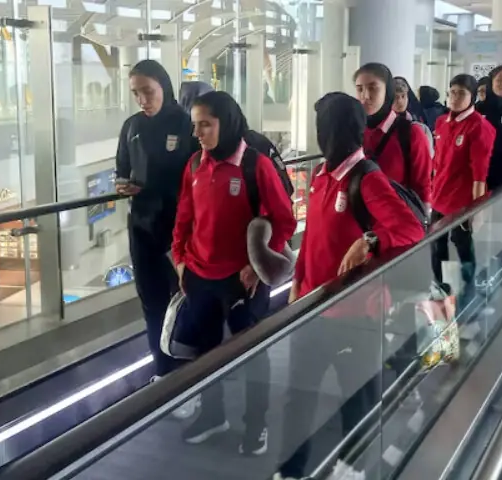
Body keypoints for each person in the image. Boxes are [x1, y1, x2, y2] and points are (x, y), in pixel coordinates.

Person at [277, 92, 425, 480]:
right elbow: (311, 241)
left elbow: (410, 231)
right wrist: (297, 285)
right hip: (312, 309)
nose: (321, 134)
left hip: (356, 316)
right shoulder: (324, 176)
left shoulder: (366, 177)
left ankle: (353, 469)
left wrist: (370, 241)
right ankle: (290, 471)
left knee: (356, 400)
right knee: (298, 400)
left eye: (324, 126)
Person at [171, 90, 296, 452]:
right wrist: (180, 260)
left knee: (254, 356)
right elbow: (184, 219)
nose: (199, 134)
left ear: (225, 124)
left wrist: (256, 265)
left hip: (243, 281)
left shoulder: (255, 165)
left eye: (205, 125)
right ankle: (213, 414)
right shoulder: (195, 164)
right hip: (199, 275)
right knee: (205, 355)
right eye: (195, 126)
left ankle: (255, 425)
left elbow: (284, 221)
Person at [115, 60, 200, 391]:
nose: (142, 99)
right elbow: (122, 168)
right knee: (151, 302)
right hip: (142, 227)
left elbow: (196, 177)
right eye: (136, 93)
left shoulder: (185, 123)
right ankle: (162, 371)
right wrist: (123, 185)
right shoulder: (131, 126)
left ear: (164, 86)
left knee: (184, 298)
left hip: (178, 229)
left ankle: (189, 373)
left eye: (148, 91)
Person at [431, 74, 495, 301]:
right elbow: (438, 161)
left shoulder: (480, 126)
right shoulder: (442, 122)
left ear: (473, 96)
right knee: (436, 245)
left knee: (463, 245)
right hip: (439, 195)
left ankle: (470, 287)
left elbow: (479, 173)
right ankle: (442, 288)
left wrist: (475, 209)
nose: (455, 98)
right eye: (452, 92)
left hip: (462, 200)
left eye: (462, 93)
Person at [355, 64, 432, 207]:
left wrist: (424, 220)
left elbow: (422, 186)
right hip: (360, 221)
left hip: (396, 221)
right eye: (360, 89)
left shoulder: (411, 133)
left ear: (388, 91)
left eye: (373, 88)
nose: (365, 96)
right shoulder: (355, 130)